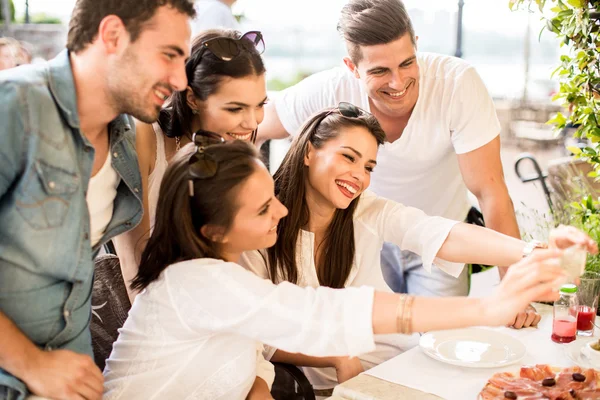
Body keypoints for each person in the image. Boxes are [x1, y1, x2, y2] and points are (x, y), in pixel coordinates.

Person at [103, 136, 570, 400]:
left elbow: (250, 361)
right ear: (214, 231)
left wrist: (533, 254)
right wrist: (486, 308)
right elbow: (326, 314)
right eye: (264, 209)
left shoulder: (222, 272)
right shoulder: (197, 282)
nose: (281, 213)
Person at [241, 103, 599, 393]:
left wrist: (532, 253)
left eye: (368, 166)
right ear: (308, 152)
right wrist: (336, 356)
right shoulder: (260, 224)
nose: (359, 176)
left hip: (404, 364)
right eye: (348, 157)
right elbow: (259, 335)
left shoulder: (364, 207)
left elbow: (438, 233)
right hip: (334, 383)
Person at [256, 0, 531, 324]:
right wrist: (256, 197)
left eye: (407, 63)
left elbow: (491, 191)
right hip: (362, 238)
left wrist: (516, 290)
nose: (398, 83)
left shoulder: (457, 84)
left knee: (440, 343)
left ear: (416, 45)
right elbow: (251, 125)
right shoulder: (328, 89)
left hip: (440, 237)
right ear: (352, 67)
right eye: (379, 71)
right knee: (371, 343)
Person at [0, 0, 196, 399]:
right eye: (169, 56)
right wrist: (32, 364)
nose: (180, 79)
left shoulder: (126, 138)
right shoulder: (16, 105)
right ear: (112, 35)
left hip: (72, 376)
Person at [113, 28, 268, 300]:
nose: (252, 122)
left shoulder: (234, 153)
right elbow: (134, 261)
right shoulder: (145, 137)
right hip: (144, 310)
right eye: (235, 108)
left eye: (259, 105)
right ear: (192, 98)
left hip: (208, 304)